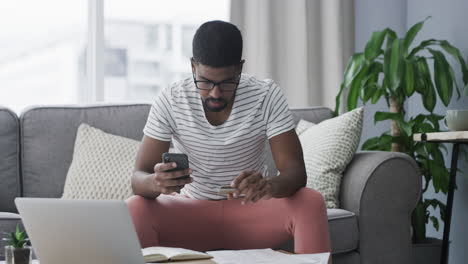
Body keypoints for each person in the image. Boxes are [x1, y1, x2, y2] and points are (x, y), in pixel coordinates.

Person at [127, 20, 331, 256]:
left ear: (240, 69)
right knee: (136, 207)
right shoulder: (171, 99)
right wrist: (156, 182)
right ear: (193, 67)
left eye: (226, 83)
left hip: (251, 211)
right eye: (205, 81)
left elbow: (296, 173)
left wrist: (268, 186)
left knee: (310, 202)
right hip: (190, 214)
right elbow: (138, 178)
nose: (215, 93)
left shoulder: (266, 95)